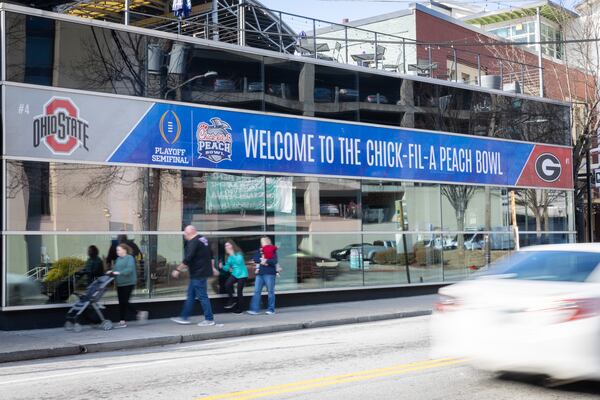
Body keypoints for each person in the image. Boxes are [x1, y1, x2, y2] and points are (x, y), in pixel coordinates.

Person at [170, 225, 216, 326]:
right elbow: (211, 255)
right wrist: (212, 268)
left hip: (198, 273)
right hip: (201, 273)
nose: (184, 236)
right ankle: (184, 317)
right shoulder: (203, 239)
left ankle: (209, 319)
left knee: (203, 296)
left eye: (185, 234)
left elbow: (188, 258)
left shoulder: (193, 242)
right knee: (191, 295)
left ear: (189, 233)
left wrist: (177, 270)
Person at [107, 244, 138, 328]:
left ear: (124, 250)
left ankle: (137, 313)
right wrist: (111, 271)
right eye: (117, 250)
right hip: (120, 283)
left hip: (129, 283)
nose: (117, 252)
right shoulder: (118, 259)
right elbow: (116, 269)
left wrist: (119, 273)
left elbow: (130, 269)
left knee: (124, 301)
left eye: (119, 250)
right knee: (121, 302)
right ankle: (122, 321)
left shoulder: (130, 258)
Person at [248, 237, 278, 315]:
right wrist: (262, 261)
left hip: (270, 273)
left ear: (268, 242)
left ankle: (271, 310)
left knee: (270, 292)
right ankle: (254, 310)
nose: (262, 243)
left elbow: (274, 261)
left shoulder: (272, 250)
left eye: (264, 241)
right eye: (262, 241)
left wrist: (266, 261)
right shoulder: (260, 250)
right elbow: (255, 258)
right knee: (257, 291)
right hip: (260, 274)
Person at [220, 241, 247, 314]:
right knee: (227, 284)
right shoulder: (228, 257)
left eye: (227, 245)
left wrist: (231, 254)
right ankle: (232, 300)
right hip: (235, 274)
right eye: (225, 246)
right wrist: (222, 266)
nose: (226, 247)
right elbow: (227, 268)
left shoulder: (239, 253)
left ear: (232, 246)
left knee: (239, 292)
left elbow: (239, 261)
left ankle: (240, 309)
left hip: (242, 274)